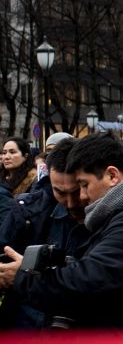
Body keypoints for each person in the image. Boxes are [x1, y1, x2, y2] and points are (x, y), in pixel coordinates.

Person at [0, 133, 123, 328]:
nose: (81, 197)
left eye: (83, 185)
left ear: (112, 175)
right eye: (62, 192)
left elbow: (87, 282)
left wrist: (22, 278)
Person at [0, 138, 83, 328]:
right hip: (24, 326)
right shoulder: (28, 210)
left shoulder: (104, 215)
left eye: (76, 192)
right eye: (59, 192)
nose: (70, 203)